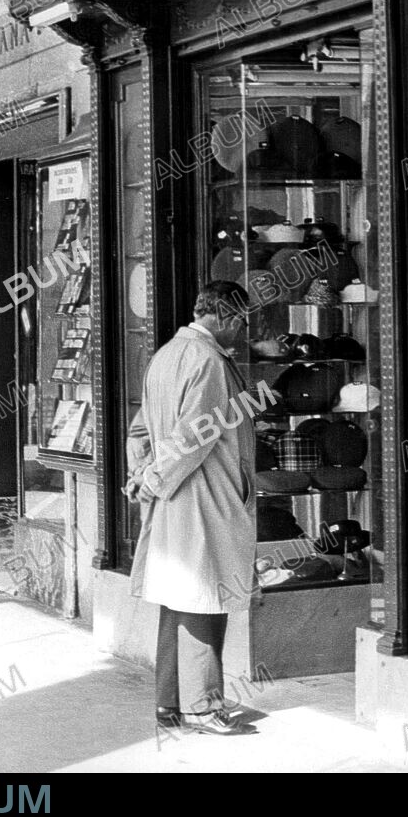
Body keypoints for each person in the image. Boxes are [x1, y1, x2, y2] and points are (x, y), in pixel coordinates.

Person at [125, 281, 258, 736]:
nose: (241, 331)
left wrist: (141, 475)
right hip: (203, 494)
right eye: (239, 321)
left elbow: (139, 431)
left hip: (174, 496)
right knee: (206, 597)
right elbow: (194, 436)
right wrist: (153, 481)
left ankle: (169, 704)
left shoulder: (164, 356)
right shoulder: (207, 361)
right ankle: (203, 707)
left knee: (178, 600)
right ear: (219, 317)